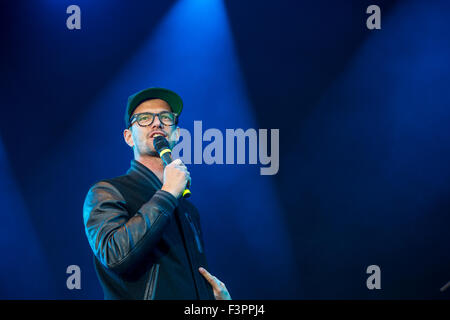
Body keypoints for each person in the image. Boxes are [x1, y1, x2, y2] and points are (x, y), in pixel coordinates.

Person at [83, 87, 231, 300]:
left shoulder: (188, 209)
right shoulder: (107, 192)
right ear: (128, 137)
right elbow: (114, 255)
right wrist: (168, 193)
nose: (157, 122)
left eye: (166, 117)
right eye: (144, 118)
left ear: (177, 134)